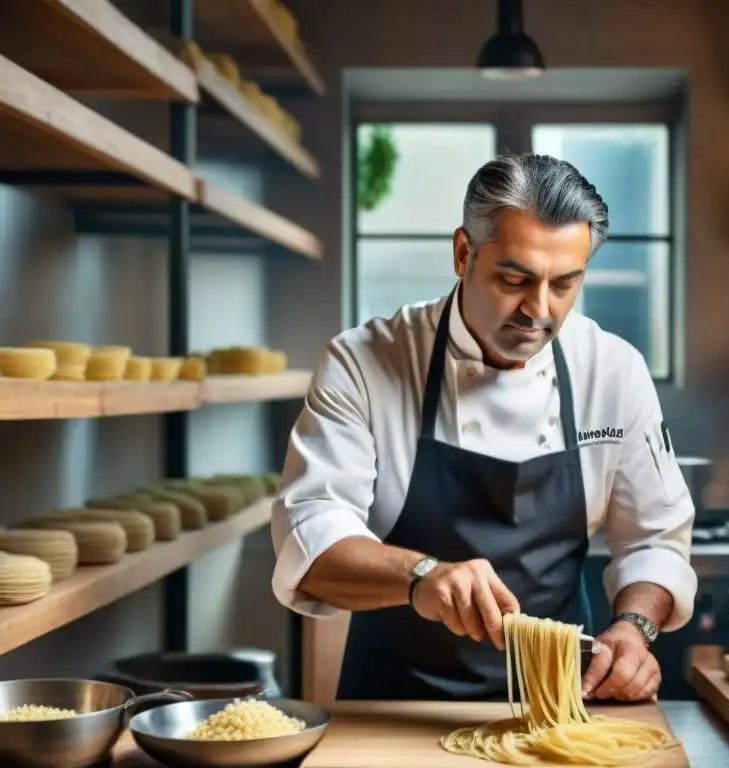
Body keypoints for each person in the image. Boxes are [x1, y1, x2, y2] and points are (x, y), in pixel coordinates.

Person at [270, 152, 698, 702]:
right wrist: (421, 575)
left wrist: (635, 630)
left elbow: (655, 538)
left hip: (562, 702)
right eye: (514, 279)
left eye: (564, 284)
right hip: (393, 707)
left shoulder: (613, 370)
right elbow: (311, 537)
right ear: (462, 252)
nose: (538, 310)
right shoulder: (365, 362)